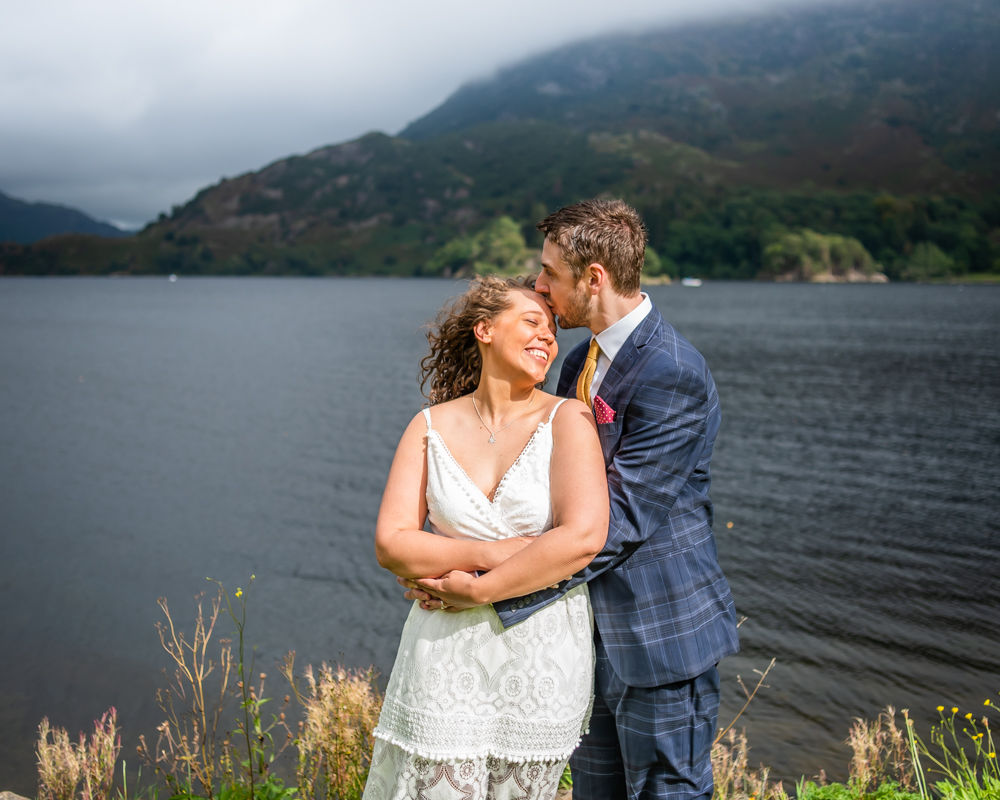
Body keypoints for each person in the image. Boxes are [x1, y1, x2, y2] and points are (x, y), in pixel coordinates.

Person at [408, 199, 740, 800]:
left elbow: (619, 522)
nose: (539, 285)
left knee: (668, 792)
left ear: (594, 278)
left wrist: (484, 583)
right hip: (579, 633)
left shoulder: (672, 372)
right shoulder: (579, 363)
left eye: (549, 273)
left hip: (659, 633)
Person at [363, 275, 610, 800]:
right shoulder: (428, 426)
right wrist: (493, 552)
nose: (547, 337)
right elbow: (392, 543)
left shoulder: (568, 419)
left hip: (541, 656)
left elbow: (583, 537)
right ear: (485, 330)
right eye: (531, 322)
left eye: (552, 330)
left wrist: (472, 583)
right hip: (442, 650)